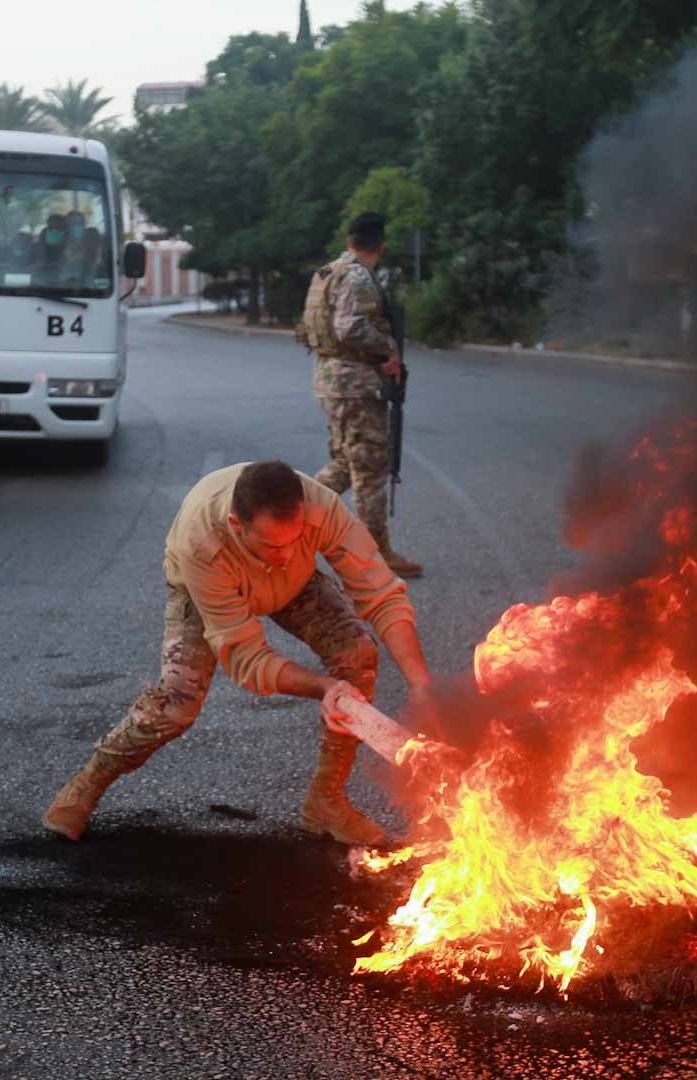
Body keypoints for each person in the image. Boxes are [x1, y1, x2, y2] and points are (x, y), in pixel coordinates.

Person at [43, 459, 434, 845]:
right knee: (178, 704)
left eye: (294, 540)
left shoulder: (321, 508)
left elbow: (381, 593)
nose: (284, 553)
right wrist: (324, 687)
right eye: (270, 544)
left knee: (357, 653)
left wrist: (420, 684)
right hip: (208, 589)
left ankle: (326, 802)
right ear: (236, 526)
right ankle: (88, 782)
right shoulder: (201, 542)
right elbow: (247, 658)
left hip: (293, 586)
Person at [300, 211, 423, 579]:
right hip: (353, 384)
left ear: (349, 241)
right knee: (369, 466)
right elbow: (350, 327)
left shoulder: (329, 271)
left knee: (343, 463)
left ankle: (284, 525)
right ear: (380, 247)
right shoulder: (357, 276)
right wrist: (388, 349)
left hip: (333, 380)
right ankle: (376, 554)